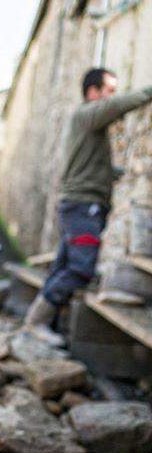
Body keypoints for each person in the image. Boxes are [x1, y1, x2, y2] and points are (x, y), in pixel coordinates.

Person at [25, 67, 152, 330]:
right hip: (83, 208)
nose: (113, 96)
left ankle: (39, 326)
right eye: (110, 91)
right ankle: (35, 323)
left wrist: (119, 173)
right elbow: (118, 107)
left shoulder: (86, 125)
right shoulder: (87, 115)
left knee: (63, 267)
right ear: (92, 92)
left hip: (78, 205)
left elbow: (91, 167)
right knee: (81, 268)